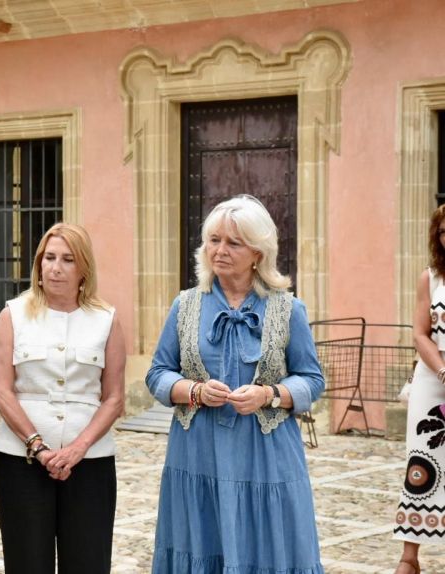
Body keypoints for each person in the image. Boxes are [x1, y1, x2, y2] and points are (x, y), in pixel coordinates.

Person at [145, 194, 325, 573]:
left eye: (233, 243)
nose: (220, 250)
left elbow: (312, 380)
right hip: (197, 452)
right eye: (214, 240)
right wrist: (194, 391)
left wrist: (269, 395)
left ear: (258, 253)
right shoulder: (185, 305)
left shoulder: (287, 309)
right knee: (202, 540)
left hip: (266, 455)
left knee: (268, 546)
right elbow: (158, 374)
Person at [0, 222, 125, 573]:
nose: (56, 267)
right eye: (49, 258)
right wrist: (37, 446)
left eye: (67, 259)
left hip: (90, 463)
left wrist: (78, 448)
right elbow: (1, 392)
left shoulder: (106, 320)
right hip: (21, 461)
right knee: (26, 561)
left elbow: (114, 398)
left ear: (84, 269)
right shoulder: (13, 315)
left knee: (88, 561)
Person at [392, 204, 445, 574]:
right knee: (421, 464)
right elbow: (420, 334)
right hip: (433, 379)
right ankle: (409, 558)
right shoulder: (430, 278)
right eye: (442, 232)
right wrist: (442, 370)